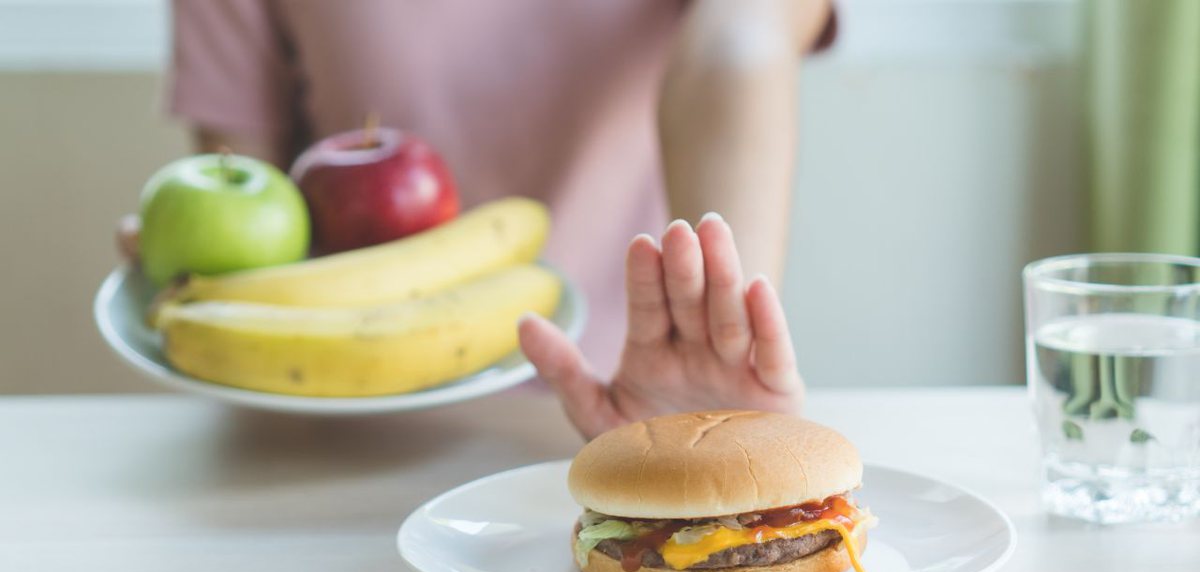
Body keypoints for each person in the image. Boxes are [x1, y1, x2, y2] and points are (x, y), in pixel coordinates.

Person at [162, 0, 834, 438]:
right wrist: (200, 270)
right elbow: (245, 188)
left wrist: (724, 355)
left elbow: (742, 43)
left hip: (627, 406)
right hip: (337, 421)